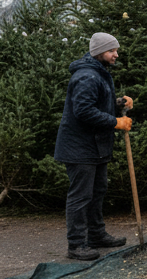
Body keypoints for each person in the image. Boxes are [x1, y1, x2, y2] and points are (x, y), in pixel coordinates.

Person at [54, 32, 131, 261]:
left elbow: (96, 102)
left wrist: (119, 103)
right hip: (80, 148)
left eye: (116, 50)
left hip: (96, 147)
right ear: (99, 52)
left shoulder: (99, 72)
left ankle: (96, 235)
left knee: (97, 192)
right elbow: (84, 111)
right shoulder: (87, 76)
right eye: (111, 51)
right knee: (80, 196)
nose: (116, 55)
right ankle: (77, 244)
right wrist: (115, 122)